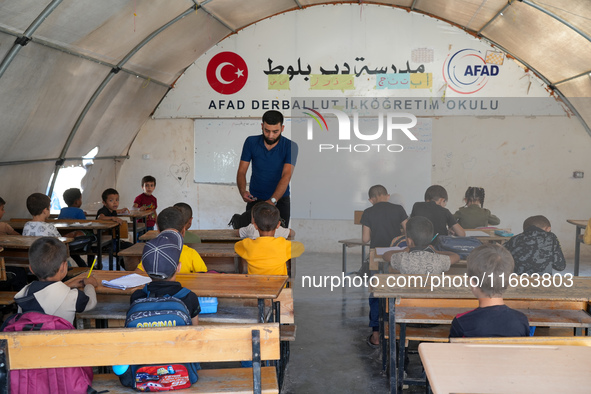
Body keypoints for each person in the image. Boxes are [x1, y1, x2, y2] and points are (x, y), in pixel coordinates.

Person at [360, 185, 408, 348]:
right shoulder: (399, 209)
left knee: (376, 293)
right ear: (387, 196)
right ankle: (396, 331)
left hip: (377, 256)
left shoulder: (368, 212)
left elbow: (365, 239)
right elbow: (409, 234)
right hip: (397, 255)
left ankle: (376, 335)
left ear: (371, 199)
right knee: (396, 291)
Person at [449, 244, 530, 337]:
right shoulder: (521, 320)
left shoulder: (461, 322)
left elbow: (452, 350)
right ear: (509, 281)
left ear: (472, 282)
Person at [13, 237, 98, 325]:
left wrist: (66, 285)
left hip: (29, 338)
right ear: (64, 267)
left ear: (31, 269)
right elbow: (91, 303)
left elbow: (45, 295)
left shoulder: (24, 293)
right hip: (62, 339)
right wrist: (90, 285)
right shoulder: (73, 296)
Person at [237, 110, 298, 227]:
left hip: (280, 201)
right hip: (255, 200)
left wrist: (272, 201)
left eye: (275, 131)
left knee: (279, 240)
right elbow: (241, 171)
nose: (270, 136)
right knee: (252, 239)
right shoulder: (251, 142)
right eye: (267, 131)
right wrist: (243, 191)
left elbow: (286, 176)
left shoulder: (291, 146)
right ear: (262, 126)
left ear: (282, 128)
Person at [131, 230, 200, 326]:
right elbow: (194, 333)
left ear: (143, 268)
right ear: (178, 267)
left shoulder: (137, 297)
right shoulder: (189, 297)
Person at [234, 203, 304, 275]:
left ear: (255, 225)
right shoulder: (283, 245)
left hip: (255, 285)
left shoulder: (248, 244)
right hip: (279, 285)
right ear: (278, 225)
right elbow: (301, 247)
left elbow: (237, 246)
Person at [138, 207, 207, 274]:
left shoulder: (153, 252)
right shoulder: (192, 254)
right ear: (183, 230)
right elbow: (204, 277)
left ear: (158, 230)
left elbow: (136, 275)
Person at [383, 216, 460, 274]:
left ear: (409, 241)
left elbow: (386, 255)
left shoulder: (402, 258)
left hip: (408, 295)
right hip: (431, 295)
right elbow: (456, 256)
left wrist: (404, 250)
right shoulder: (438, 259)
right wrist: (436, 252)